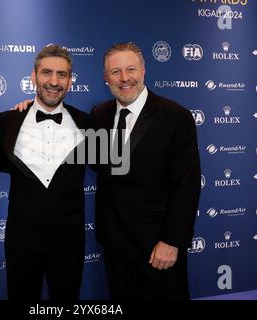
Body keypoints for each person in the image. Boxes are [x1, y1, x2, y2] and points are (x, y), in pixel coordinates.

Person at [90, 42, 201, 300]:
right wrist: (30, 107)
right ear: (105, 77)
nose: (124, 78)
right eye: (115, 72)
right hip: (114, 242)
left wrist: (173, 241)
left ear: (144, 71)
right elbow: (95, 162)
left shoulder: (176, 117)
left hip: (157, 245)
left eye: (131, 69)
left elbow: (187, 185)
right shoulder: (99, 114)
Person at [0, 45, 90, 300]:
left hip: (69, 245)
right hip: (21, 244)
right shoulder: (8, 122)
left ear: (70, 81)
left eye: (62, 75)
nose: (53, 81)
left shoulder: (87, 123)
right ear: (33, 77)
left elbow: (117, 168)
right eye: (46, 73)